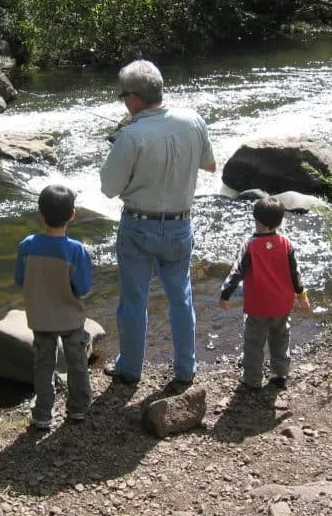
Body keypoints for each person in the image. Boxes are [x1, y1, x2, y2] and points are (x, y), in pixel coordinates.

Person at [100, 59, 216, 385]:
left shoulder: (130, 135)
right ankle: (185, 369)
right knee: (181, 297)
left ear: (134, 98)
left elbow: (108, 189)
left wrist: (120, 146)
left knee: (134, 300)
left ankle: (130, 369)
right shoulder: (194, 121)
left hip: (138, 225)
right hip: (180, 225)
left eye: (124, 96)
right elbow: (209, 165)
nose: (124, 102)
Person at [15, 184, 93, 430]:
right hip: (70, 319)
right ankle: (78, 408)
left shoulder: (27, 245)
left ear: (41, 214)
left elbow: (20, 279)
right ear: (72, 215)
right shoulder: (76, 250)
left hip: (40, 318)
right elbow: (82, 288)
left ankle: (42, 414)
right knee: (77, 363)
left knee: (44, 365)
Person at [218, 195, 311, 390]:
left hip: (258, 305)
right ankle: (280, 374)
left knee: (253, 341)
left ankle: (252, 379)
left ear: (257, 221)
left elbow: (237, 272)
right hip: (281, 304)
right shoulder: (287, 244)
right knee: (280, 337)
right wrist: (302, 296)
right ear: (279, 221)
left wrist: (225, 294)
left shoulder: (250, 245)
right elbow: (296, 273)